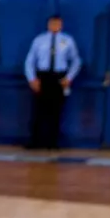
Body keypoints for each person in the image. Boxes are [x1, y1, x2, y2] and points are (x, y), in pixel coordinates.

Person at [24, 15, 78, 150]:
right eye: (52, 23)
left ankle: (52, 142)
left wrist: (69, 77)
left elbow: (76, 60)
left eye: (57, 23)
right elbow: (30, 60)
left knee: (56, 111)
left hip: (58, 77)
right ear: (48, 24)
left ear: (61, 25)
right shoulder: (39, 40)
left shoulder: (67, 40)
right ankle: (35, 141)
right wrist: (32, 78)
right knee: (38, 110)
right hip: (43, 76)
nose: (54, 26)